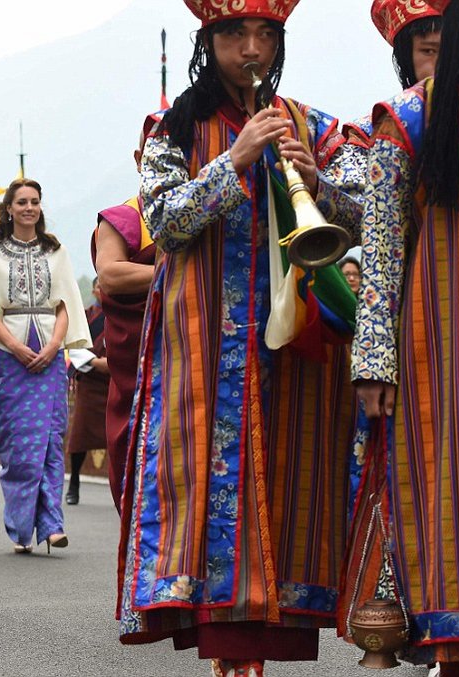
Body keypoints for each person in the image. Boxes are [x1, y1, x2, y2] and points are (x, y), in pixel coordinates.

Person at [117, 2, 365, 675]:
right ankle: (231, 660)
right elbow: (163, 221)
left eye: (265, 35)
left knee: (290, 492)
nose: (251, 49)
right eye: (235, 35)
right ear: (209, 42)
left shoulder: (314, 127)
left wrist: (316, 182)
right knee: (205, 492)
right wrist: (235, 159)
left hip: (298, 346)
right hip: (203, 343)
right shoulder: (171, 129)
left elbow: (368, 213)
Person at [343, 1, 459, 674]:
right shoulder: (410, 120)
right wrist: (374, 362)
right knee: (455, 539)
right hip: (446, 365)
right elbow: (382, 251)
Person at [0, 178, 91, 554]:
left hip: (51, 354)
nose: (29, 208)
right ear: (9, 208)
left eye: (35, 201)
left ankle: (52, 524)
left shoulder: (57, 252)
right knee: (19, 442)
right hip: (12, 356)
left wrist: (53, 346)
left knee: (51, 439)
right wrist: (16, 347)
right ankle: (21, 526)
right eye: (22, 202)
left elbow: (66, 305)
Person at [91, 118, 160, 511]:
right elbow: (111, 275)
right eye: (156, 154)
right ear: (138, 159)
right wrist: (179, 275)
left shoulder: (204, 211)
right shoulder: (125, 217)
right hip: (139, 364)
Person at [348, 0, 443, 144]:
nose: (445, 62)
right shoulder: (370, 135)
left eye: (455, 50)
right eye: (429, 51)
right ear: (406, 58)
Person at [64, 277, 109, 505]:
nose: (105, 290)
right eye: (101, 286)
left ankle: (122, 486)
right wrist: (98, 363)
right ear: (94, 291)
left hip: (116, 382)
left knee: (120, 435)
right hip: (90, 380)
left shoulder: (124, 314)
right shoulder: (85, 316)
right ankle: (74, 482)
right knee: (80, 435)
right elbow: (74, 344)